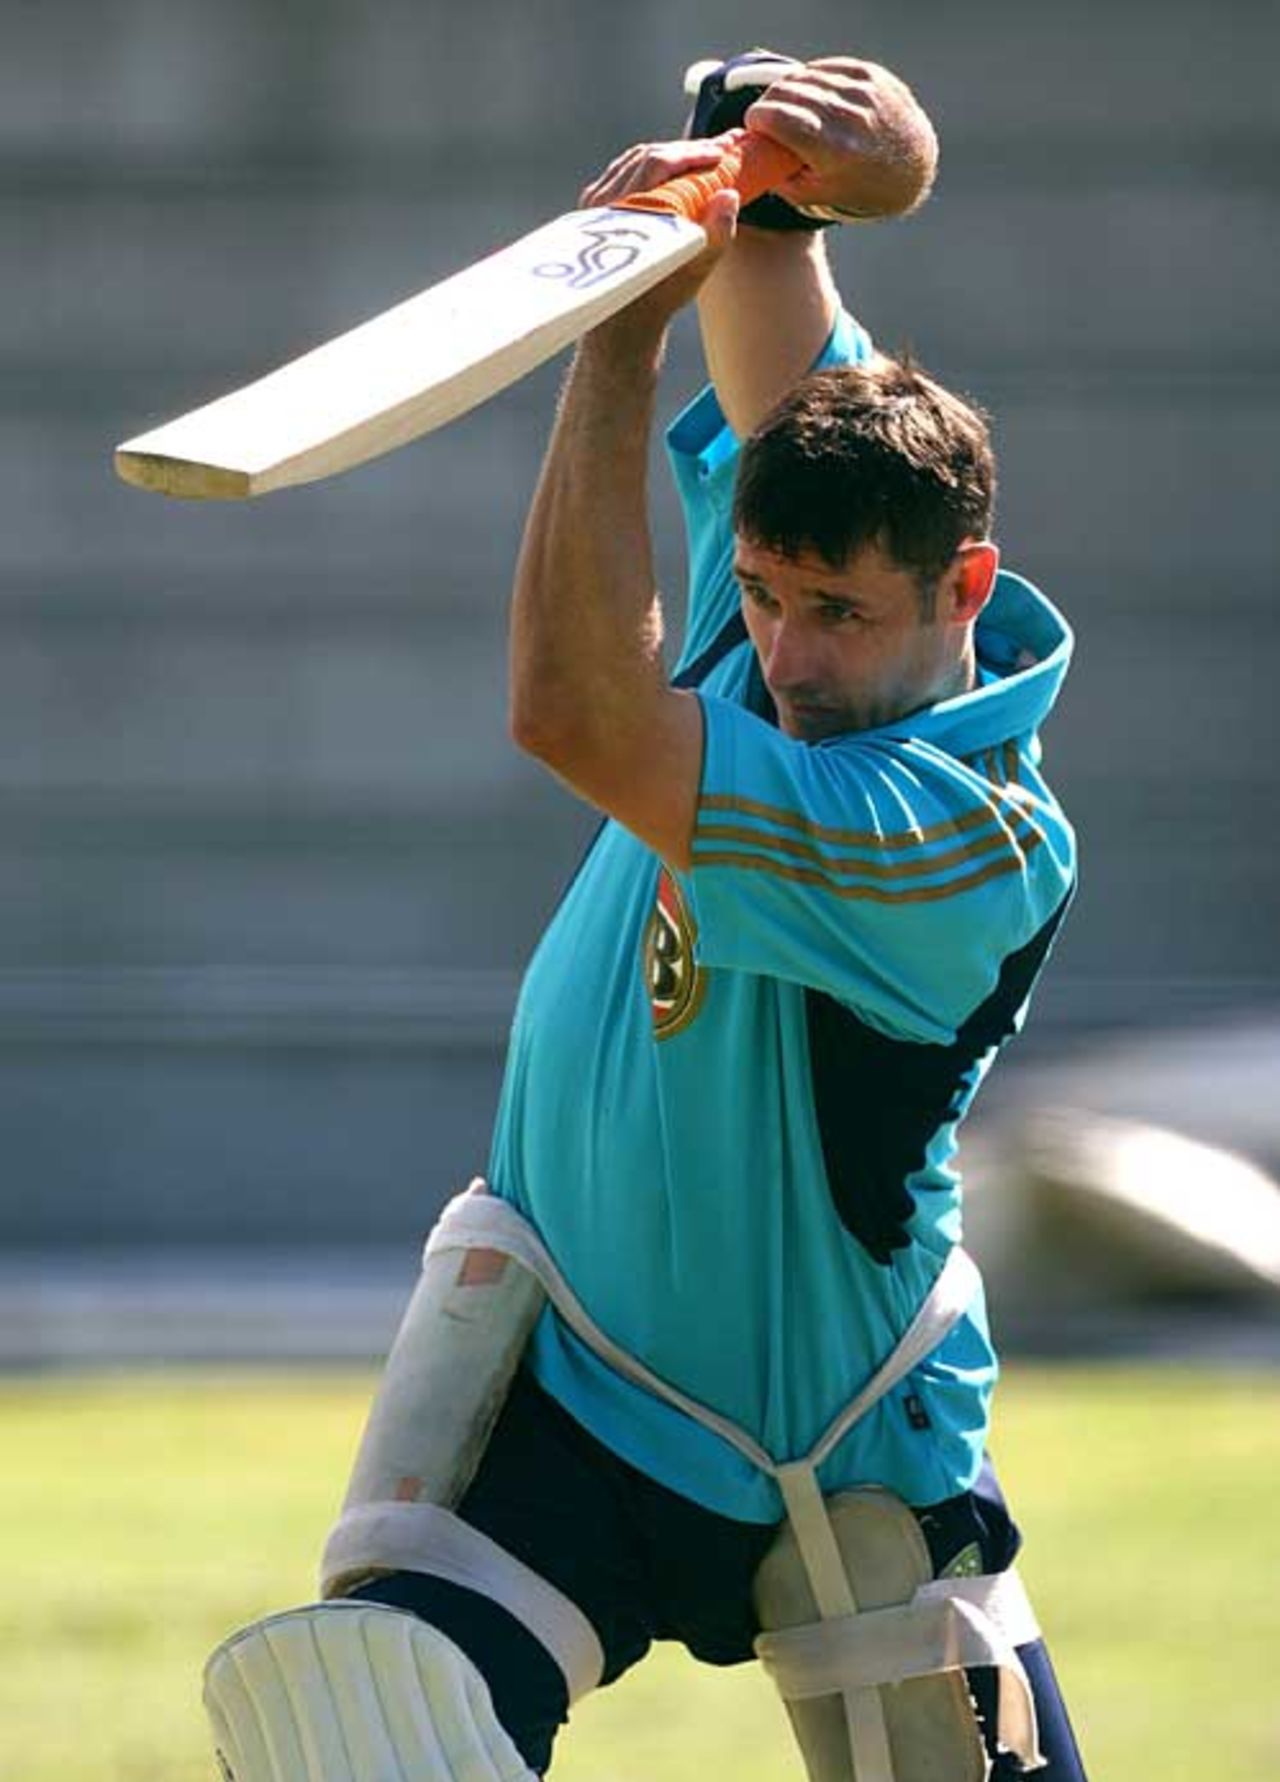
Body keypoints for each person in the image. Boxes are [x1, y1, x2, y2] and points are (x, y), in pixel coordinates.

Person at [203, 52, 1087, 1782]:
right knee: (351, 1731)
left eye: (833, 610)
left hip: (841, 1449)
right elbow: (763, 194)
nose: (783, 652)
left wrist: (608, 345)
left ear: (961, 590)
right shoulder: (799, 599)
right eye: (756, 594)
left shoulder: (957, 833)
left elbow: (570, 712)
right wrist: (843, 152)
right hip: (577, 1380)